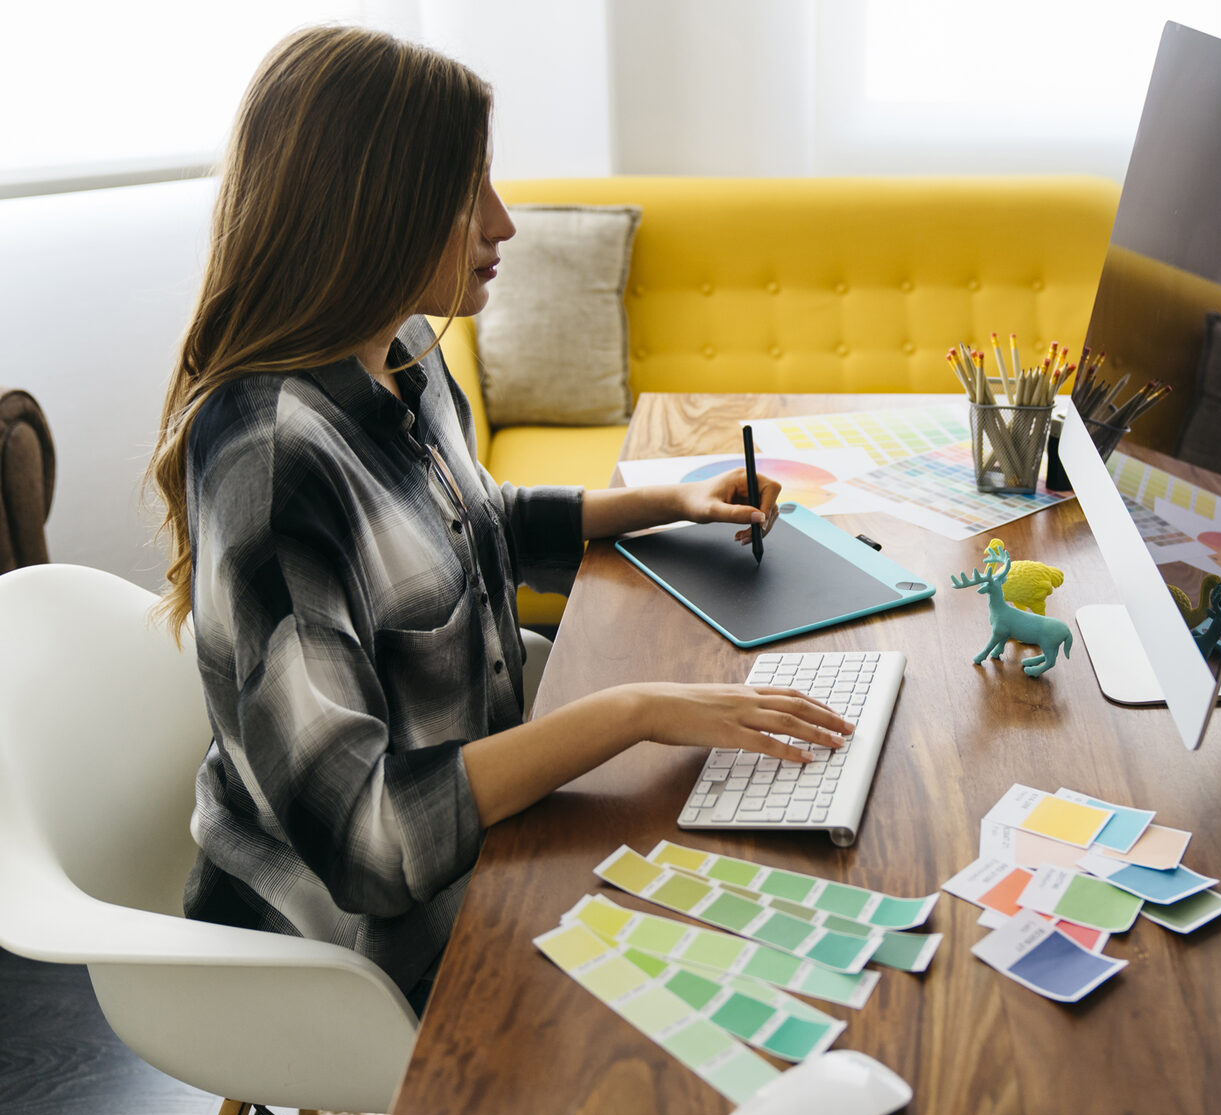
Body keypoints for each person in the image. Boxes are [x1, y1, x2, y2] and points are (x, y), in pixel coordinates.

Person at [145, 25, 849, 1012]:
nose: (505, 221)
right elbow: (373, 843)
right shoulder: (272, 461)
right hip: (349, 944)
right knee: (731, 955)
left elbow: (461, 529)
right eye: (467, 188)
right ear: (373, 206)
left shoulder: (400, 353)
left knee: (753, 864)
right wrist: (630, 710)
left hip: (482, 833)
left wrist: (663, 501)